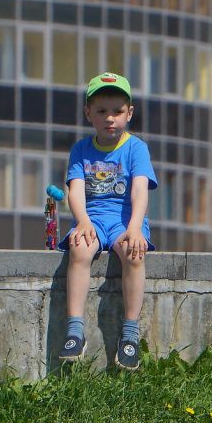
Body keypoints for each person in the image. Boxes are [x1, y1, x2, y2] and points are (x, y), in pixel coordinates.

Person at [58, 71, 157, 371]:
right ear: (89, 113)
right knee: (79, 250)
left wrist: (135, 227)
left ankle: (130, 332)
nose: (110, 118)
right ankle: (75, 330)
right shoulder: (81, 150)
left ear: (129, 113)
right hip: (93, 218)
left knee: (133, 254)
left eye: (117, 111)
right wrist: (82, 221)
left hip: (126, 220)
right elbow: (75, 191)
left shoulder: (136, 148)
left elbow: (140, 189)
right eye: (102, 111)